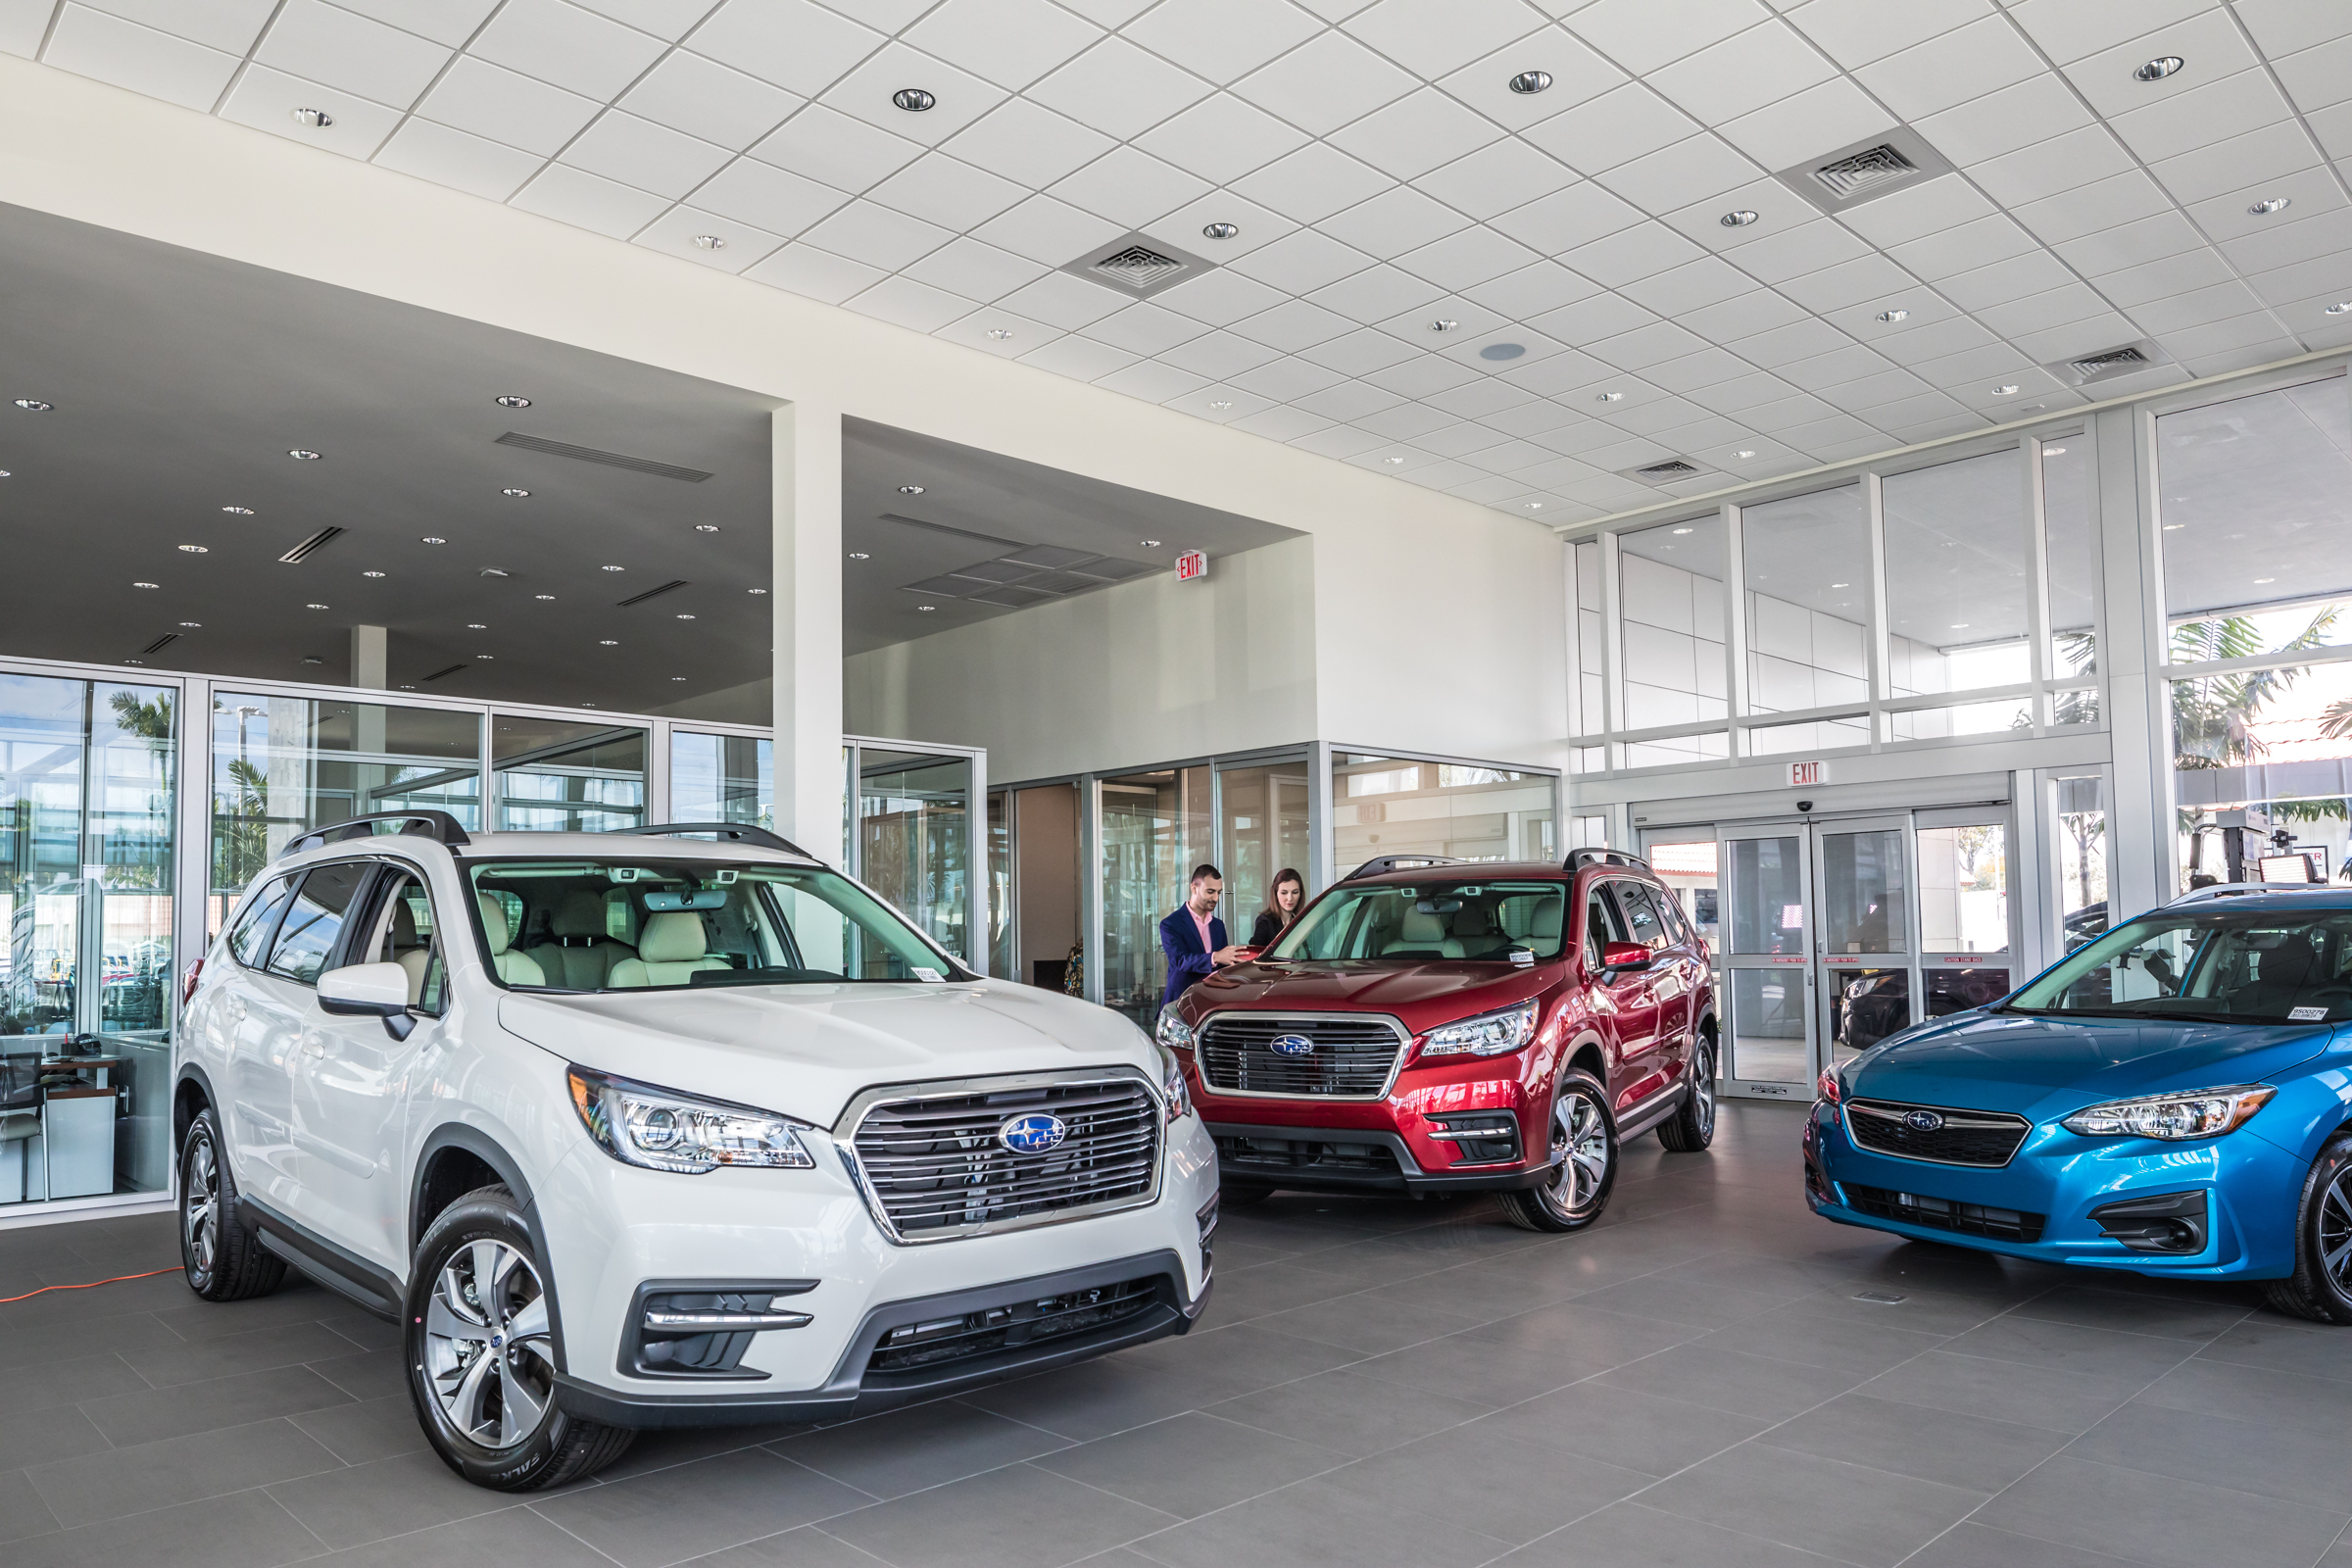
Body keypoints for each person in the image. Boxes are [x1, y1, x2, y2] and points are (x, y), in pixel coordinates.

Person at [1159, 862, 1246, 1008]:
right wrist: (1215, 957)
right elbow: (1180, 961)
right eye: (1210, 891)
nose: (1216, 898)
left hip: (1211, 1004)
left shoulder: (1218, 925)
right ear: (1194, 888)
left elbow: (1222, 966)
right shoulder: (1170, 924)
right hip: (1181, 1003)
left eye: (1218, 892)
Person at [1251, 868, 1305, 949]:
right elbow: (1254, 948)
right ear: (1276, 894)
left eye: (1295, 892)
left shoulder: (1301, 922)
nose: (1290, 898)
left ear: (1300, 894)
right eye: (1284, 893)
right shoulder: (1265, 921)